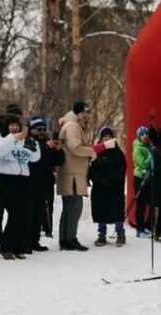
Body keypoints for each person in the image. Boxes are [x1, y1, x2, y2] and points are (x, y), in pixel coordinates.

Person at [0, 115, 40, 259]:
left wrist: (32, 146)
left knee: (23, 214)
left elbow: (35, 157)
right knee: (14, 213)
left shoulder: (24, 141)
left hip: (23, 179)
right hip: (6, 179)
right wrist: (14, 137)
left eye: (17, 125)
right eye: (11, 125)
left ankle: (19, 247)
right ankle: (6, 247)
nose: (14, 128)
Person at [57, 101, 94, 251]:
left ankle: (65, 239)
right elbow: (75, 148)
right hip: (72, 174)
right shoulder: (73, 126)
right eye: (85, 112)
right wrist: (92, 151)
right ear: (79, 113)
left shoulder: (72, 124)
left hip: (71, 172)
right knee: (74, 208)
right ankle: (70, 239)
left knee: (69, 208)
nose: (87, 115)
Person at [26, 116, 65, 251]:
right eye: (39, 129)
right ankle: (27, 241)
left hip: (45, 182)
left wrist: (59, 149)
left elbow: (58, 161)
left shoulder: (47, 143)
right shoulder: (29, 141)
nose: (42, 131)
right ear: (32, 130)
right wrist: (45, 147)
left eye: (44, 129)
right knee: (30, 213)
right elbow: (32, 157)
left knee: (40, 212)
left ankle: (35, 240)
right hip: (30, 182)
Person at [90, 127, 127, 247]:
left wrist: (112, 180)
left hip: (115, 188)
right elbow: (92, 169)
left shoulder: (118, 153)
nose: (107, 139)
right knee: (101, 211)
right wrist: (99, 180)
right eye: (104, 137)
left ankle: (120, 234)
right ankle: (102, 235)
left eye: (109, 137)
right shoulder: (96, 152)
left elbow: (122, 169)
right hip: (100, 188)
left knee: (117, 211)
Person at [133, 126, 153, 238]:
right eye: (143, 134)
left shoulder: (149, 146)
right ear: (139, 136)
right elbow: (143, 164)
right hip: (140, 178)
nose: (145, 136)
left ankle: (147, 226)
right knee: (141, 204)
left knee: (152, 202)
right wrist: (150, 156)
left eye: (146, 134)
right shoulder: (138, 148)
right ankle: (139, 230)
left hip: (149, 178)